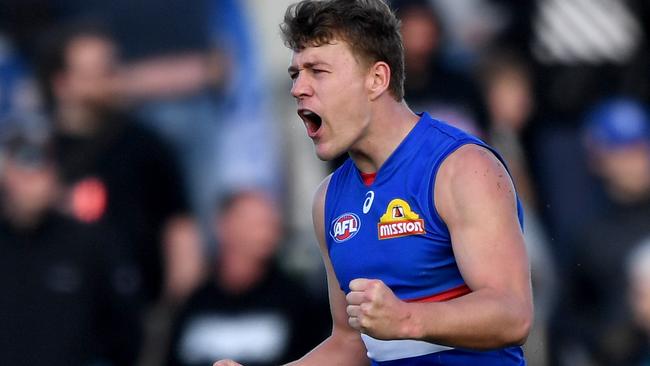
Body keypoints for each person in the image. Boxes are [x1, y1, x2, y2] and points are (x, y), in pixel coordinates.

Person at [215, 0, 532, 365]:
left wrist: (407, 318)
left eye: (317, 71)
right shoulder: (328, 200)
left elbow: (514, 314)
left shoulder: (462, 168)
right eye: (295, 74)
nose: (298, 88)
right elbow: (350, 345)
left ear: (377, 79)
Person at [0, 114, 142, 366]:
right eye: (24, 160)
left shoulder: (91, 243)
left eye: (43, 161)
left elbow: (125, 334)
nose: (34, 175)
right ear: (5, 171)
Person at [168, 190, 328, 366]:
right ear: (222, 226)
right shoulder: (195, 302)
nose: (267, 230)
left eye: (269, 222)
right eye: (254, 223)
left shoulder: (296, 301)